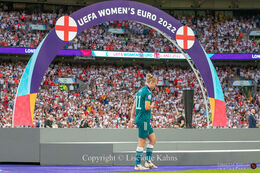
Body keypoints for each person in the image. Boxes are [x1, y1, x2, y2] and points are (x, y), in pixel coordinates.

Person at [129, 73, 158, 170]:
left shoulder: (140, 91)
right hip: (144, 120)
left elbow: (134, 105)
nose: (155, 86)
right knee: (142, 141)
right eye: (154, 84)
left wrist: (132, 118)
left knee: (153, 139)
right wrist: (152, 105)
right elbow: (146, 107)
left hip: (141, 118)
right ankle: (137, 164)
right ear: (151, 82)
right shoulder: (148, 93)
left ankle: (148, 162)